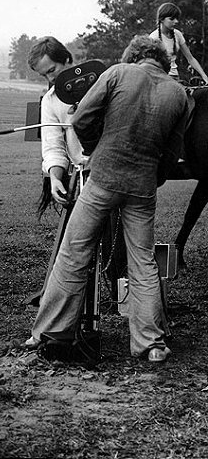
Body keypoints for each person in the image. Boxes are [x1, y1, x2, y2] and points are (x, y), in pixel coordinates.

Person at [25, 36, 190, 363]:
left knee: (74, 252)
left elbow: (81, 120)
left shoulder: (117, 73)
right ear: (159, 59)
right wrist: (154, 177)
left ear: (133, 56)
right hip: (142, 186)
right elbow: (173, 152)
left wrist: (94, 151)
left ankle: (49, 332)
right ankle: (151, 344)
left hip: (102, 179)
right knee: (142, 263)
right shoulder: (179, 93)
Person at [28, 36, 88, 207]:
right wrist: (54, 179)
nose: (50, 79)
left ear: (67, 59)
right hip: (86, 175)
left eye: (52, 70)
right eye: (43, 75)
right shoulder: (50, 100)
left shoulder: (100, 82)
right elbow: (53, 146)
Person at [149, 2, 208, 84]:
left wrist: (204, 76)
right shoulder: (153, 37)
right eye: (172, 19)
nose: (176, 21)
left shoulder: (177, 34)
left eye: (176, 18)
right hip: (160, 80)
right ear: (161, 19)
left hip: (176, 78)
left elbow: (190, 58)